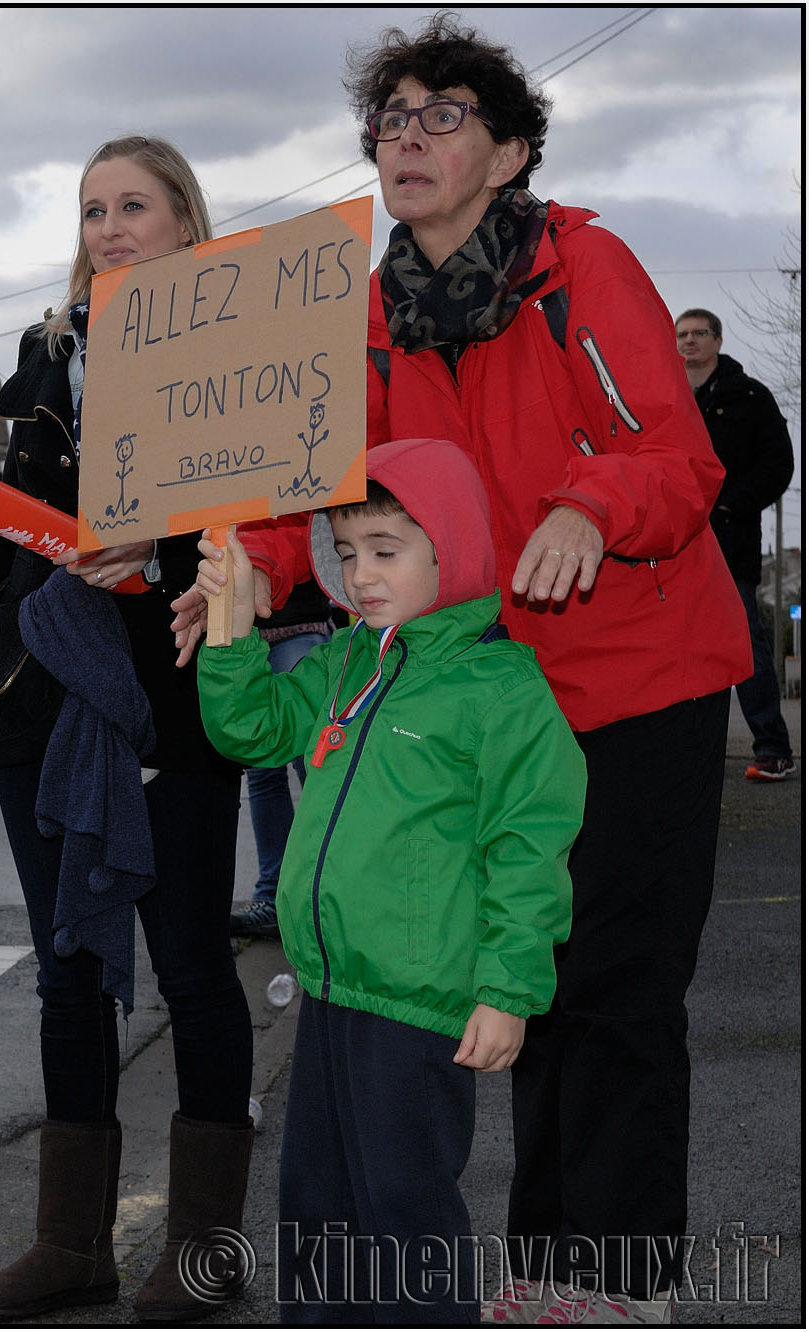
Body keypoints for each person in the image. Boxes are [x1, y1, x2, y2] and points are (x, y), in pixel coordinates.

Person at [181, 19, 751, 1321]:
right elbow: (315, 480)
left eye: (443, 114)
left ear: (506, 150)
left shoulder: (581, 269)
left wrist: (585, 507)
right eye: (390, 120)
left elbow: (674, 459)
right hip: (477, 687)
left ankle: (607, 1281)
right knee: (518, 980)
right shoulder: (364, 313)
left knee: (613, 990)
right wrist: (260, 567)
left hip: (634, 677)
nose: (408, 137)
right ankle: (544, 1265)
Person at [0, 135, 254, 1323]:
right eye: (92, 208)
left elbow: (290, 509)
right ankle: (70, 1244)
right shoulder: (49, 353)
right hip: (51, 680)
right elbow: (21, 516)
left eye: (133, 204)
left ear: (186, 221)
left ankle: (202, 1259)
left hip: (180, 680)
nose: (107, 227)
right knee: (69, 967)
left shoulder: (241, 341)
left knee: (194, 969)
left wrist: (174, 539)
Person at [202, 440, 586, 1321]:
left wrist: (508, 991)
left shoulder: (501, 687)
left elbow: (530, 852)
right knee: (318, 1213)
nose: (361, 574)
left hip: (419, 1006)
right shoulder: (346, 662)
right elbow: (252, 731)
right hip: (338, 989)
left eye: (386, 549)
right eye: (345, 554)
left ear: (451, 545)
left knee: (404, 1221)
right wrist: (229, 627)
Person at [677, 307, 797, 781]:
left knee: (744, 642)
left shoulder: (750, 396)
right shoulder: (659, 395)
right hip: (669, 545)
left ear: (717, 340)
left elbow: (779, 464)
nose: (688, 341)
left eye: (698, 333)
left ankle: (772, 748)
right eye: (681, 334)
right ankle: (685, 752)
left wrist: (729, 506)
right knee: (677, 646)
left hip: (730, 543)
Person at [228, 581, 335, 940]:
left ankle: (326, 894)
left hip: (300, 626)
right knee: (264, 773)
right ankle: (275, 896)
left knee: (321, 769)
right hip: (250, 633)